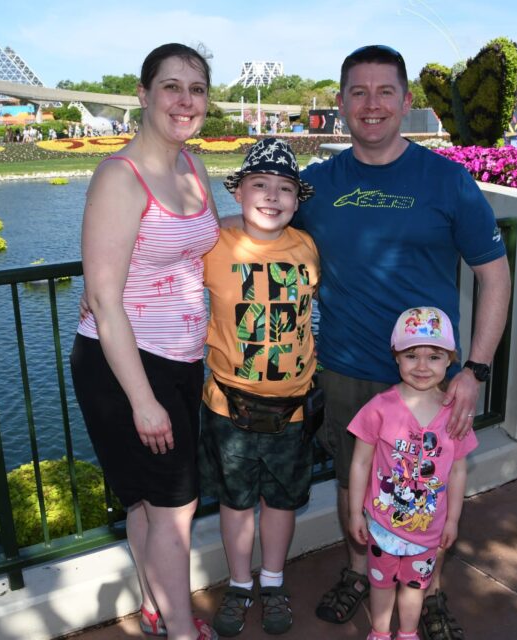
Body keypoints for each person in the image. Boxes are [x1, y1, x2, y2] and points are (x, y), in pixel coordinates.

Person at [296, 45, 511, 639]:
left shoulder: (448, 180)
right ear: (339, 104)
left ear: (407, 101)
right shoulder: (316, 186)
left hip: (432, 378)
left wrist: (475, 370)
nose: (372, 105)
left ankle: (427, 585)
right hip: (347, 368)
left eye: (385, 91)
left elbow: (494, 273)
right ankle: (359, 570)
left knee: (431, 486)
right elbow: (250, 223)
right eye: (358, 93)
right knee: (353, 484)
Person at [70, 42, 220, 640]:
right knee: (177, 511)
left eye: (197, 89)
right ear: (143, 94)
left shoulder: (193, 166)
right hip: (126, 367)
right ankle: (182, 630)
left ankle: (154, 605)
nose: (185, 101)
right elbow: (106, 300)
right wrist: (142, 401)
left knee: (147, 505)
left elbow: (202, 237)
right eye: (171, 86)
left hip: (183, 359)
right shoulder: (119, 176)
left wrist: (278, 223)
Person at [198, 138, 319, 637]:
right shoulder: (213, 245)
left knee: (283, 501)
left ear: (296, 198)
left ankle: (273, 580)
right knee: (236, 501)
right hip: (230, 408)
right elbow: (151, 260)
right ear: (239, 192)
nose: (272, 196)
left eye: (284, 188)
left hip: (292, 409)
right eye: (260, 185)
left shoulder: (307, 247)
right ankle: (240, 583)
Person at [348, 307, 477, 640]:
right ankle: (379, 632)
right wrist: (355, 513)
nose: (422, 366)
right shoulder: (379, 407)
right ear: (396, 357)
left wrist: (453, 520)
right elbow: (361, 462)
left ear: (450, 359)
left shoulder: (456, 414)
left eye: (434, 356)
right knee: (381, 583)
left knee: (414, 587)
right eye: (411, 355)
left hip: (428, 531)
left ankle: (407, 633)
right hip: (382, 525)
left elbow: (459, 471)